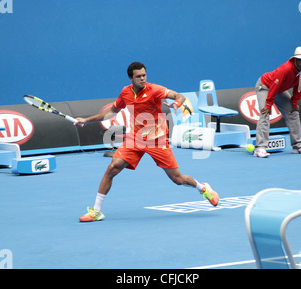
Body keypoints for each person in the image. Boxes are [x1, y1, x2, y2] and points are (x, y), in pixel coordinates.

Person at [74, 62, 219, 222]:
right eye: (138, 76)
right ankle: (96, 211)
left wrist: (177, 103)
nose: (142, 78)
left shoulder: (154, 90)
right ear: (131, 78)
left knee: (177, 179)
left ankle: (203, 188)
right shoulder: (125, 92)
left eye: (144, 75)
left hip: (156, 140)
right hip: (135, 138)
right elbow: (111, 112)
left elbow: (179, 96)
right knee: (112, 168)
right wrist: (87, 120)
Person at [253, 47, 301, 158]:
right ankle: (260, 148)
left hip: (279, 90)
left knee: (293, 112)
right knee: (265, 113)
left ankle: (297, 146)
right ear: (295, 59)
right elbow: (274, 86)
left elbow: (300, 85)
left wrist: (295, 103)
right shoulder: (285, 69)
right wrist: (268, 105)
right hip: (265, 86)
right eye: (300, 59)